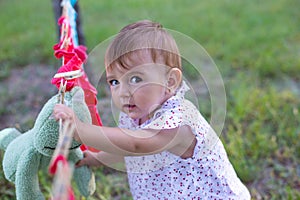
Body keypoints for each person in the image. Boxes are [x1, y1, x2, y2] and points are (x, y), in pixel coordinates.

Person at [53, 20, 251, 199]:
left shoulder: (178, 122)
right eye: (114, 81)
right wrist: (99, 158)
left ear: (170, 81)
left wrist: (79, 130)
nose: (123, 92)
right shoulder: (137, 112)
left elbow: (136, 145)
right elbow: (126, 149)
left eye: (136, 79)